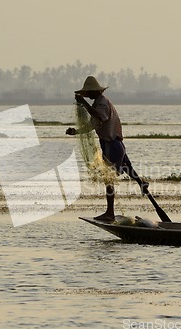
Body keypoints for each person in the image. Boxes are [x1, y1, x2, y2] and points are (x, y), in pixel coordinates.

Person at [66, 76, 149, 221]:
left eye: (89, 93)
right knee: (127, 167)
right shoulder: (98, 103)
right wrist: (76, 132)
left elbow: (101, 117)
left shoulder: (102, 104)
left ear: (95, 92)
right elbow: (92, 126)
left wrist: (84, 103)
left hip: (112, 145)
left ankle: (110, 212)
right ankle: (142, 183)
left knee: (108, 178)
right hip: (115, 145)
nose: (88, 96)